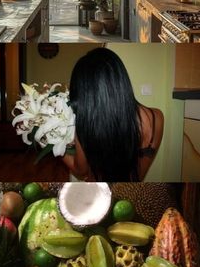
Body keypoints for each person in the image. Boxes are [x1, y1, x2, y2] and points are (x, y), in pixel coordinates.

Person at [62, 47, 164, 182]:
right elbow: (139, 173)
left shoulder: (86, 122)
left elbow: (80, 170)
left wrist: (55, 147)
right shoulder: (157, 117)